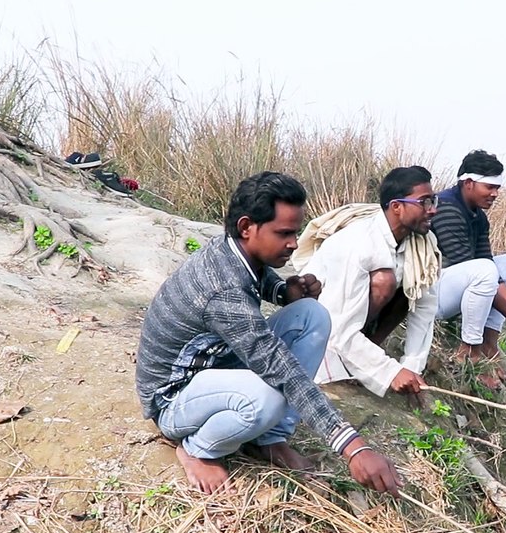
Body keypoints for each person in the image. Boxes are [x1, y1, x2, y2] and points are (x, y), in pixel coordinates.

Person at [134, 171, 403, 496]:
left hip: (209, 366)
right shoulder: (223, 290)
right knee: (268, 397)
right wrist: (353, 447)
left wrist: (282, 292)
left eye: (296, 232)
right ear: (247, 227)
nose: (293, 243)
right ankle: (196, 449)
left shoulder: (233, 251)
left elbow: (258, 278)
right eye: (284, 233)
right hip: (172, 398)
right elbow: (281, 370)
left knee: (311, 315)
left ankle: (270, 439)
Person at [292, 166, 441, 401]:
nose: (432, 210)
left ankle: (365, 354)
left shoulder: (422, 245)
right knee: (385, 280)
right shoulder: (357, 243)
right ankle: (350, 362)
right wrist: (390, 371)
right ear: (396, 206)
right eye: (424, 202)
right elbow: (338, 327)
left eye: (433, 201)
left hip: (351, 323)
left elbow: (424, 308)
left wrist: (412, 366)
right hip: (323, 325)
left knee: (411, 286)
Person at [431, 150, 506, 388]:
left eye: (497, 188)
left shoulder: (478, 217)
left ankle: (489, 344)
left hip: (460, 283)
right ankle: (469, 352)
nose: (495, 194)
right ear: (468, 183)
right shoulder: (447, 208)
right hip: (431, 295)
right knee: (484, 271)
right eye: (489, 187)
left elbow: (486, 262)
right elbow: (472, 267)